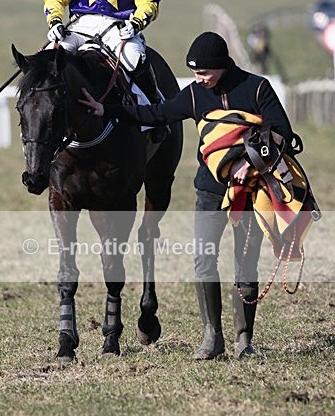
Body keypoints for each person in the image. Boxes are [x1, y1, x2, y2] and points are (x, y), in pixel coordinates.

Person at [80, 31, 300, 360]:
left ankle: (244, 340)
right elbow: (154, 114)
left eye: (204, 73)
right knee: (204, 260)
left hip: (252, 190)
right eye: (195, 73)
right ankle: (212, 338)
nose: (199, 79)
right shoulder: (196, 95)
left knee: (245, 261)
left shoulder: (257, 88)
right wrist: (106, 109)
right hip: (209, 190)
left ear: (222, 65)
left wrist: (250, 161)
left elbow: (282, 132)